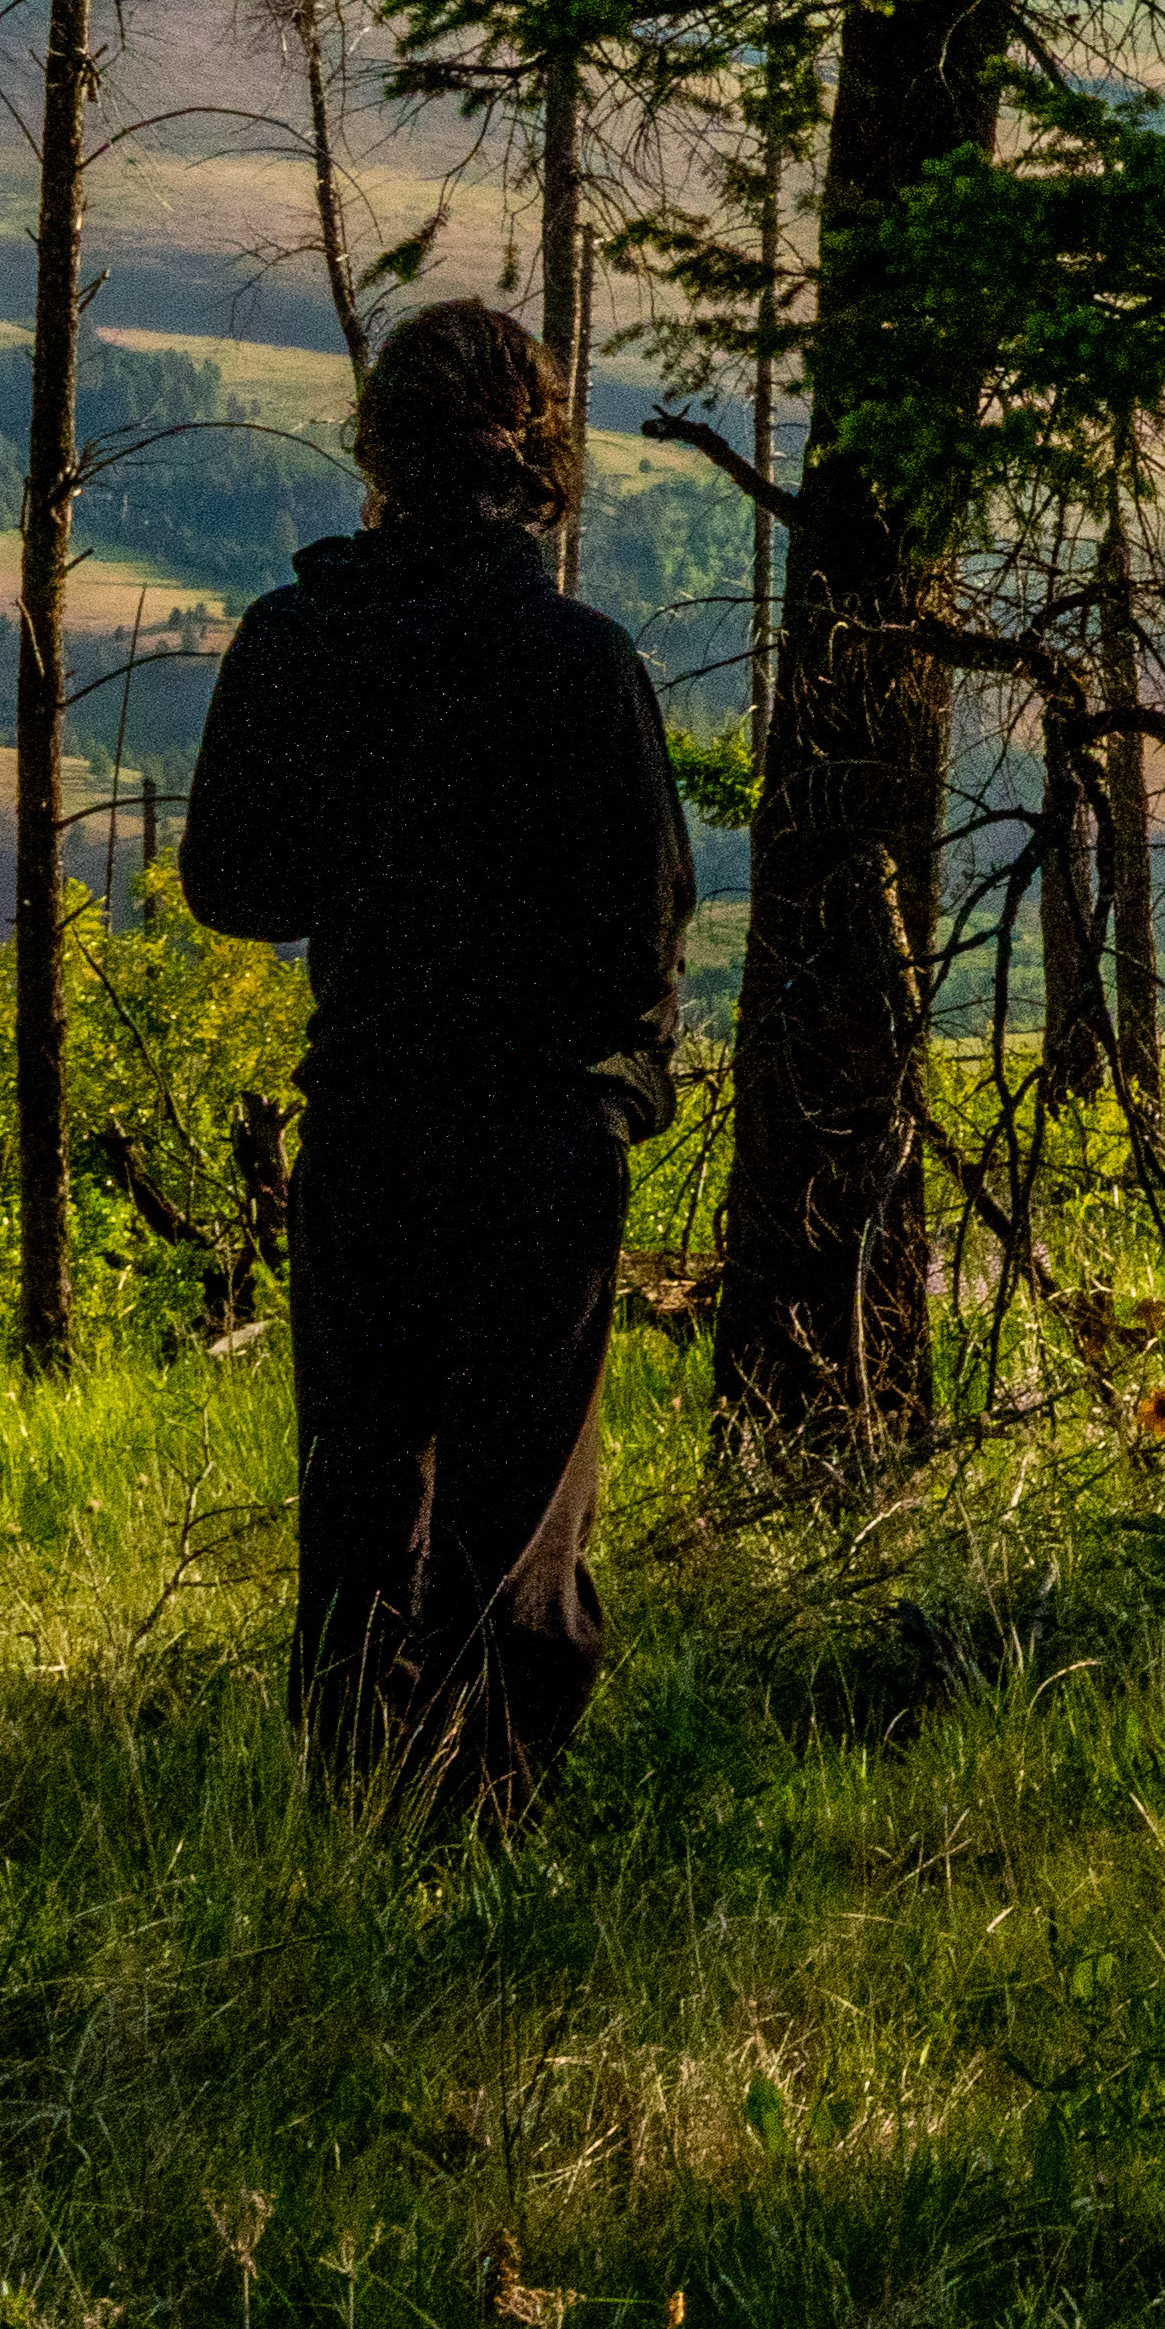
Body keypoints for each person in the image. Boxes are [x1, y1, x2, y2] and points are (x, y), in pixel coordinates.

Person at [177, 297, 690, 1810]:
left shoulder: (297, 643)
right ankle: (481, 1819)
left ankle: (353, 1801)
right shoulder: (579, 662)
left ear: (380, 448)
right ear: (535, 458)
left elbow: (230, 885)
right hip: (539, 1142)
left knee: (360, 1486)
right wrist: (615, 1092)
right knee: (521, 1510)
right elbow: (642, 923)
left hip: (372, 1123)